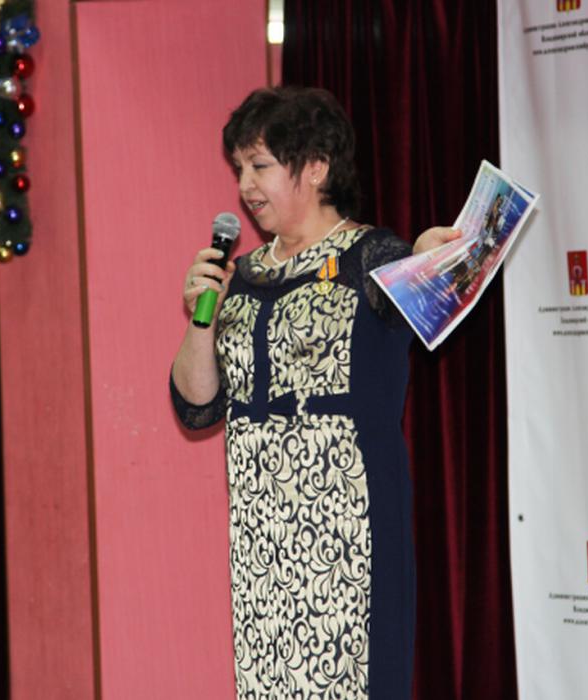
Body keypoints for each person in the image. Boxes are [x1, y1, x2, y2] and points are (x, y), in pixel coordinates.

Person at [170, 86, 458, 698]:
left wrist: (426, 262)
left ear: (318, 166)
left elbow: (423, 299)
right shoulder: (243, 275)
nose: (245, 186)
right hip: (261, 537)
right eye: (239, 168)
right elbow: (196, 408)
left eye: (260, 165)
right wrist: (202, 318)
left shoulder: (371, 258)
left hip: (348, 531)